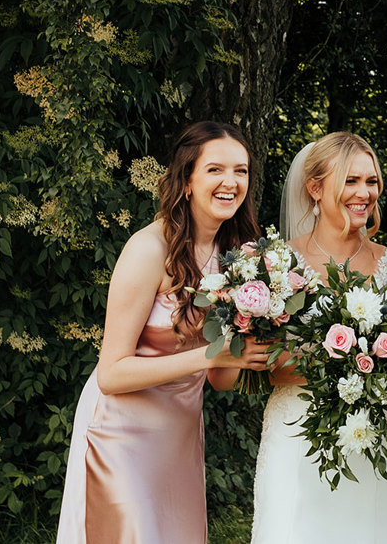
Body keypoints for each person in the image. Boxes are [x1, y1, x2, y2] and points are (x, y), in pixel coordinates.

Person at [56, 121, 270, 544]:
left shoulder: (238, 259)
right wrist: (214, 354)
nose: (231, 182)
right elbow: (111, 374)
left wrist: (261, 346)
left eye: (241, 170)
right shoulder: (148, 249)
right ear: (187, 180)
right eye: (215, 170)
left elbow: (220, 379)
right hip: (119, 434)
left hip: (179, 434)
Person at [251, 132, 387, 544]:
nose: (364, 193)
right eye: (350, 180)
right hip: (294, 440)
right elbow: (261, 367)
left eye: (371, 181)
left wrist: (364, 360)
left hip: (373, 444)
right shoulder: (277, 265)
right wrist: (338, 361)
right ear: (315, 188)